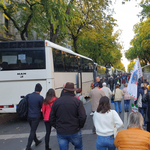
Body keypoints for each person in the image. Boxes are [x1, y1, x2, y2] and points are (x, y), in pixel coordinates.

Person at [49, 82, 87, 150]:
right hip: (74, 130)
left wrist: (57, 126)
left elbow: (51, 118)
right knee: (78, 147)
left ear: (64, 90)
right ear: (73, 91)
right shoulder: (77, 101)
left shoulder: (57, 102)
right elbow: (83, 116)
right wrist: (80, 126)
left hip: (61, 131)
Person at [26, 83, 44, 150]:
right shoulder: (40, 98)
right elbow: (42, 107)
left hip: (29, 116)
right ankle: (28, 146)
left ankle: (36, 141)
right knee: (33, 131)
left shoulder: (28, 96)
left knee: (33, 129)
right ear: (40, 90)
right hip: (36, 116)